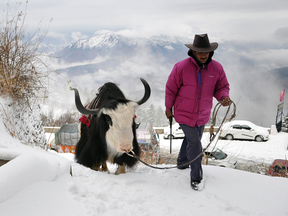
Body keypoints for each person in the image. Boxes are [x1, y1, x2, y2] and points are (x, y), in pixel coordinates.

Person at [165, 33, 230, 191]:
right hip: (183, 113)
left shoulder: (217, 68)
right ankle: (196, 177)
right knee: (195, 142)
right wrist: (168, 108)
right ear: (193, 52)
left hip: (202, 114)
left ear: (210, 52)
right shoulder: (181, 67)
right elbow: (171, 89)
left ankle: (181, 162)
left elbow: (222, 87)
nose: (203, 55)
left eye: (205, 52)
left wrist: (224, 97)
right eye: (199, 52)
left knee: (191, 140)